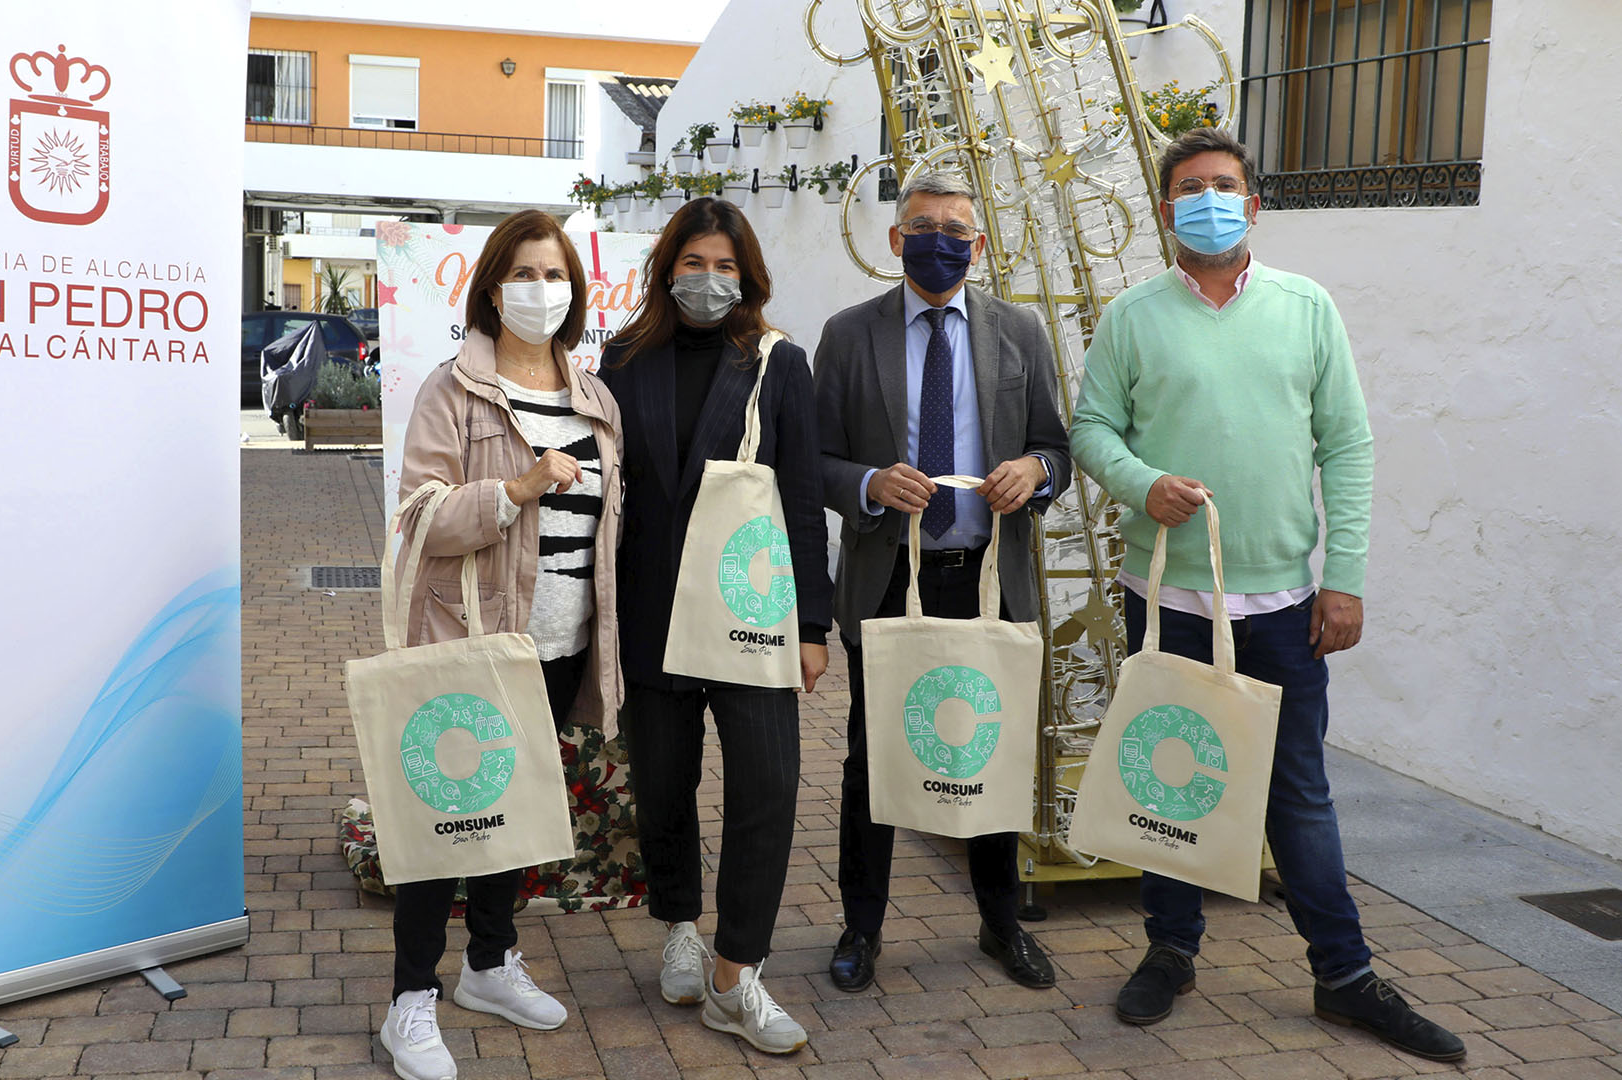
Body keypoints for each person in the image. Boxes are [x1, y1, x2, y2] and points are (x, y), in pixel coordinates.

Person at [1070, 128, 1465, 1063]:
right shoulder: (1131, 315)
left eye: (1225, 185)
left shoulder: (1306, 307)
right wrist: (1142, 483)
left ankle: (1345, 977)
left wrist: (1347, 579)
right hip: (1166, 595)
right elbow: (1090, 428)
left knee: (1298, 796)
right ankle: (1170, 950)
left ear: (1254, 204)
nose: (1209, 199)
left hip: (1284, 603)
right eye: (1190, 188)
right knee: (1170, 776)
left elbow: (1349, 447)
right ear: (1166, 209)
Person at [811, 170, 1072, 994]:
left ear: (979, 244)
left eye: (956, 231)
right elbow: (811, 459)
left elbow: (1056, 450)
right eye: (923, 227)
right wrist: (866, 484)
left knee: (987, 751)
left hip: (986, 580)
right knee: (873, 759)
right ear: (896, 240)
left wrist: (1033, 471)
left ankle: (1000, 924)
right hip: (889, 579)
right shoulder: (849, 336)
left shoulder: (1019, 332)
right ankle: (862, 926)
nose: (939, 242)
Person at [382, 210, 625, 1080]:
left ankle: (488, 963)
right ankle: (410, 1000)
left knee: (513, 813)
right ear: (492, 287)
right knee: (447, 819)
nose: (541, 291)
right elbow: (419, 520)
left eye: (555, 275)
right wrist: (517, 487)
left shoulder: (594, 398)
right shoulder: (453, 391)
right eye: (523, 274)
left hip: (560, 643)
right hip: (475, 638)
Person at [599, 197, 829, 1056]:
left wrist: (813, 623)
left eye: (724, 265)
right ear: (667, 270)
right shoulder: (623, 361)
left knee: (766, 788)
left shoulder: (779, 363)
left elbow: (802, 501)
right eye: (693, 263)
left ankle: (740, 972)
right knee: (662, 784)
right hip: (650, 609)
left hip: (752, 609)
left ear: (749, 275)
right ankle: (680, 928)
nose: (708, 280)